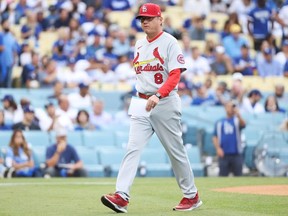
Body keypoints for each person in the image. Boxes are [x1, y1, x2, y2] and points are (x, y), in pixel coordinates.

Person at [101, 3, 202, 213]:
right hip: (141, 102)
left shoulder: (170, 42)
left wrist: (158, 94)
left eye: (148, 18)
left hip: (164, 102)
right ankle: (121, 196)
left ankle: (191, 195)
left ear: (160, 19)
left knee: (175, 152)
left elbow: (175, 75)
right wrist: (145, 95)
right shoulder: (139, 44)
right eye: (141, 19)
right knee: (132, 148)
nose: (144, 21)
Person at [212, 101, 246, 176]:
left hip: (236, 154)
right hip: (224, 154)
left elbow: (243, 124)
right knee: (223, 176)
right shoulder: (219, 122)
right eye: (229, 107)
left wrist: (238, 115)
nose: (231, 109)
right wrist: (218, 148)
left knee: (239, 176)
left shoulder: (237, 120)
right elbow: (215, 136)